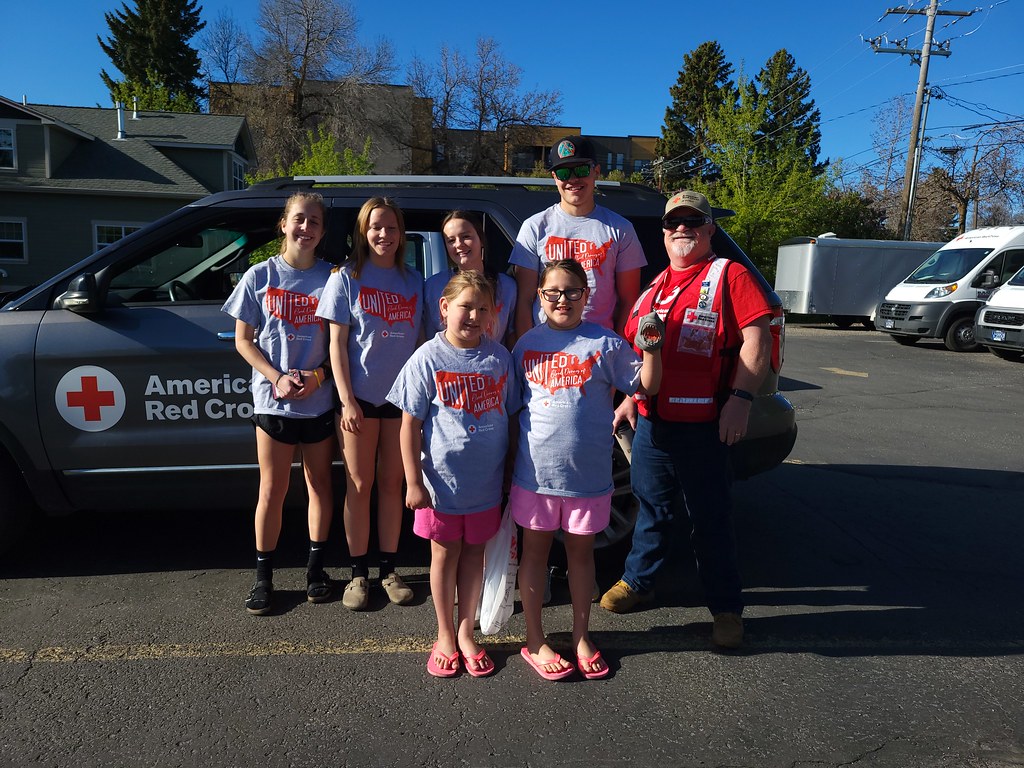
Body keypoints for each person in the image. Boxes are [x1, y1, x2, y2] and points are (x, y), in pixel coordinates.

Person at [599, 190, 772, 650]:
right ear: (663, 231)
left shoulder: (728, 274)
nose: (682, 229)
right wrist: (631, 398)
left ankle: (726, 608)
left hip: (707, 424)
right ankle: (639, 581)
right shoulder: (655, 287)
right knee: (651, 508)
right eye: (674, 222)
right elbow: (640, 354)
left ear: (709, 228)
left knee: (710, 518)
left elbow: (758, 340)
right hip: (654, 425)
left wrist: (740, 399)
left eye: (693, 221)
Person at [510, 259, 662, 680]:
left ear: (587, 296)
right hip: (536, 477)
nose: (562, 299)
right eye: (552, 291)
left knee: (581, 557)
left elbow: (646, 386)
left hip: (588, 480)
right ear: (539, 296)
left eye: (572, 291)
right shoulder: (526, 346)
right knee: (535, 556)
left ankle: (580, 635)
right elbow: (511, 410)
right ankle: (535, 639)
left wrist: (652, 349)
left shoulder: (607, 343)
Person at [388, 271, 511, 678]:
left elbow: (509, 416)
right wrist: (412, 481)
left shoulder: (499, 357)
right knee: (444, 556)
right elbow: (409, 425)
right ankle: (443, 632)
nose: (473, 315)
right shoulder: (427, 357)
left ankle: (465, 630)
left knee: (473, 555)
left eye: (482, 308)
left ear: (493, 315)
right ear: (444, 308)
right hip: (440, 486)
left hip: (485, 485)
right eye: (465, 306)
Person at [222, 192, 336, 615]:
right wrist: (276, 378)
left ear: (323, 231)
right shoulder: (259, 276)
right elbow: (243, 340)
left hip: (320, 402)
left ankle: (315, 571)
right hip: (273, 405)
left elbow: (345, 343)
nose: (306, 228)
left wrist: (318, 376)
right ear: (283, 224)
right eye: (299, 220)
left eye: (314, 222)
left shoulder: (334, 278)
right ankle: (263, 577)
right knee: (271, 490)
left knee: (320, 486)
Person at [316, 197, 423, 611]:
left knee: (393, 485)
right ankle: (358, 574)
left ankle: (389, 571)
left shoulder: (414, 280)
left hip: (400, 403)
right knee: (359, 486)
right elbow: (337, 345)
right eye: (376, 227)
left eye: (392, 227)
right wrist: (346, 401)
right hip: (358, 400)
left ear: (402, 233)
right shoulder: (345, 278)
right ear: (363, 231)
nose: (384, 235)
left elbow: (420, 345)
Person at [509, 135, 646, 341]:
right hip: (547, 350)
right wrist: (527, 349)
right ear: (555, 177)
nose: (573, 179)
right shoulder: (534, 227)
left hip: (600, 349)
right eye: (564, 172)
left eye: (581, 170)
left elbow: (629, 301)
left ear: (596, 172)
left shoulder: (621, 229)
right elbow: (525, 300)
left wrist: (618, 349)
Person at [423, 210, 517, 347]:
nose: (459, 244)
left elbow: (512, 337)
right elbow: (429, 338)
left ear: (481, 240)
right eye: (451, 240)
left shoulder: (507, 287)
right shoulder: (434, 285)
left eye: (465, 236)